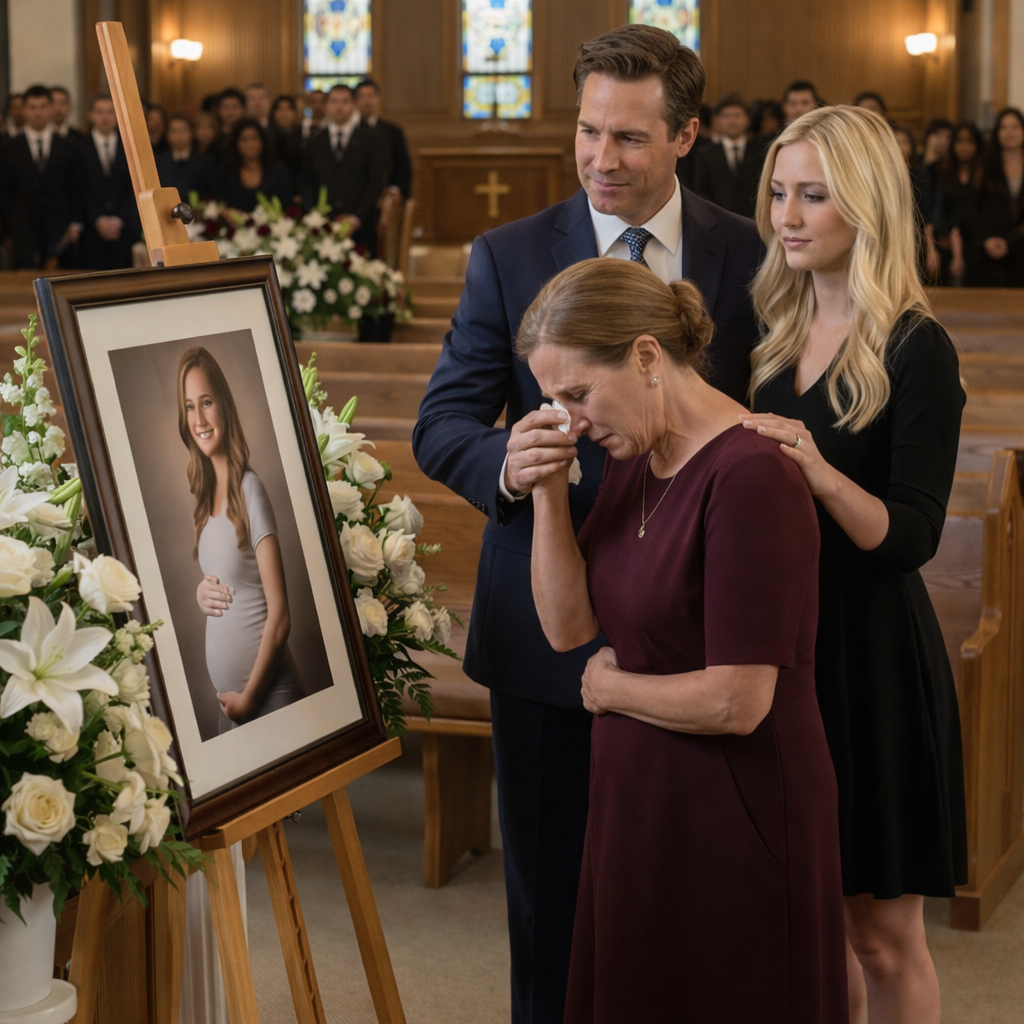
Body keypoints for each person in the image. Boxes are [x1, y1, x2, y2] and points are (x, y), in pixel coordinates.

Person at [413, 24, 763, 1024]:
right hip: (546, 633)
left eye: (630, 137)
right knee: (552, 909)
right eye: (587, 131)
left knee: (693, 903)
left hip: (696, 626)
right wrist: (507, 464)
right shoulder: (509, 253)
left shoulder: (749, 251)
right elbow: (442, 424)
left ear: (686, 136)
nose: (601, 159)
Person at [516, 257, 847, 1024]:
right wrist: (546, 494)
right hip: (639, 797)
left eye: (577, 394)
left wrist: (611, 689)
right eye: (553, 403)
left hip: (734, 805)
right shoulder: (637, 455)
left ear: (646, 356)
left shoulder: (751, 474)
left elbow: (739, 700)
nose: (570, 421)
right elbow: (568, 628)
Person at [745, 105, 967, 1024]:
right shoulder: (771, 332)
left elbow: (912, 536)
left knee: (881, 934)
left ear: (866, 204)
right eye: (779, 193)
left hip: (871, 656)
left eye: (813, 195)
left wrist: (818, 469)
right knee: (809, 924)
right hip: (786, 648)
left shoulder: (916, 346)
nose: (786, 216)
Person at [177, 346, 305, 731]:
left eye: (206, 402)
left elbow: (280, 616)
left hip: (268, 697)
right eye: (189, 407)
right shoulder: (203, 501)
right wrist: (201, 593)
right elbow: (230, 577)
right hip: (232, 708)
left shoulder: (251, 489)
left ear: (225, 407)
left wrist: (249, 699)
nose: (199, 419)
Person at [301, 84, 390, 255]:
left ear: (354, 105)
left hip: (361, 225)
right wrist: (316, 217)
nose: (339, 107)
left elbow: (376, 181)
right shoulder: (315, 141)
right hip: (323, 227)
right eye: (334, 101)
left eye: (344, 101)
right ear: (327, 106)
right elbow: (306, 182)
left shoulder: (372, 139)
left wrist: (355, 218)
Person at [0, 84, 78, 269]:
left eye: (42, 107)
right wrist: (6, 232)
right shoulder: (9, 147)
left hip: (59, 227)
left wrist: (75, 223)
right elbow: (4, 192)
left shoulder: (67, 145)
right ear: (24, 110)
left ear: (50, 108)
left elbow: (75, 187)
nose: (37, 112)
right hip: (22, 228)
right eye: (32, 107)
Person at [961, 107, 1024, 287]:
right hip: (985, 248)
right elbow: (969, 207)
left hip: (1019, 250)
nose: (1009, 132)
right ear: (996, 133)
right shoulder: (983, 165)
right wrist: (986, 239)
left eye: (1015, 127)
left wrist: (1011, 242)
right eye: (1003, 128)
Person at [78, 93, 140, 270]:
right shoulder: (79, 147)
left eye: (110, 112)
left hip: (124, 230)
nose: (105, 117)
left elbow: (135, 188)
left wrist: (118, 220)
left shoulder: (130, 146)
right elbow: (78, 189)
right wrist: (99, 219)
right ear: (90, 115)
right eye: (100, 112)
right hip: (91, 231)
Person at [693, 94, 759, 217]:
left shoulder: (759, 151)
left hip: (754, 220)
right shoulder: (706, 154)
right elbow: (701, 191)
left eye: (737, 115)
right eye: (726, 116)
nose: (732, 121)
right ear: (717, 120)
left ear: (748, 119)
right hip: (718, 219)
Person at [938, 121, 985, 285]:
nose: (964, 146)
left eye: (969, 141)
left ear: (977, 144)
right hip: (949, 241)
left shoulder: (984, 173)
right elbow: (941, 209)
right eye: (959, 141)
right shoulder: (945, 172)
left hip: (978, 243)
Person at [209, 118, 290, 213]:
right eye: (244, 139)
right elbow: (218, 206)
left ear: (263, 141)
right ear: (236, 143)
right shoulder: (225, 172)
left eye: (254, 138)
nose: (250, 144)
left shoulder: (278, 171)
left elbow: (286, 206)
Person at [354, 78, 413, 198]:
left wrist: (394, 190)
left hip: (385, 193)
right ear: (355, 100)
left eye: (370, 96)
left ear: (378, 98)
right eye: (362, 96)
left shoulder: (393, 131)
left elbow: (402, 165)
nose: (366, 101)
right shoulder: (350, 131)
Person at [156, 114, 213, 200]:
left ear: (192, 133)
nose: (179, 136)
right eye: (174, 131)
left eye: (183, 130)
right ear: (167, 134)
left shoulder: (204, 161)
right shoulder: (160, 162)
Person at [269, 94, 307, 197]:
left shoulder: (303, 136)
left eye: (289, 109)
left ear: (295, 113)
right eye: (280, 109)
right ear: (273, 113)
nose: (284, 114)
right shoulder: (267, 138)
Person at [208, 87, 246, 163]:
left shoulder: (249, 134)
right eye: (226, 107)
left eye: (235, 107)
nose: (230, 112)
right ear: (218, 110)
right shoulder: (213, 137)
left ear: (243, 109)